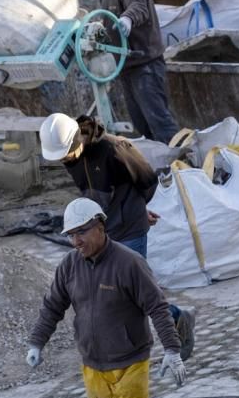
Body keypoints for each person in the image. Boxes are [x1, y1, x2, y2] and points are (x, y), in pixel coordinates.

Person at [26, 198, 187, 398]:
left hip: (131, 361)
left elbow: (157, 305)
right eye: (71, 235)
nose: (76, 241)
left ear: (100, 227)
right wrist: (36, 342)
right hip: (93, 363)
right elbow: (52, 306)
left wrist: (172, 349)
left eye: (82, 232)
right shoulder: (69, 266)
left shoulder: (129, 263)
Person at [39, 111, 195, 361]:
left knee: (135, 291)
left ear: (76, 139)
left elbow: (146, 180)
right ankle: (164, 324)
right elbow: (91, 194)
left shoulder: (114, 148)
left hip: (130, 229)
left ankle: (175, 322)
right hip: (103, 231)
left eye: (66, 153)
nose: (65, 160)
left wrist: (135, 210)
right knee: (118, 292)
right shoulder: (71, 158)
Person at [83, 0, 178, 145]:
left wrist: (127, 19)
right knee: (142, 125)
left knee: (160, 122)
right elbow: (108, 20)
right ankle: (159, 169)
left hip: (146, 66)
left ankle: (182, 168)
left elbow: (139, 6)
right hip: (127, 68)